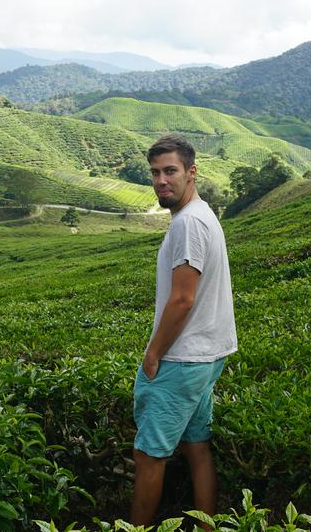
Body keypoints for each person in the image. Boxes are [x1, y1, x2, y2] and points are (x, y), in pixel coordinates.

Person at [130, 134, 237, 527]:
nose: (161, 180)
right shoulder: (202, 213)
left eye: (170, 171)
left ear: (191, 172)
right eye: (155, 173)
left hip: (182, 358)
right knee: (197, 448)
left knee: (149, 456)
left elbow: (182, 300)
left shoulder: (187, 225)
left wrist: (153, 353)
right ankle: (207, 525)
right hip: (208, 355)